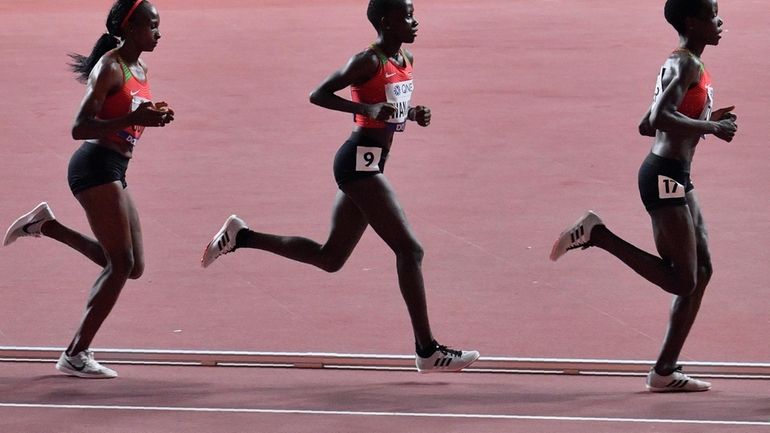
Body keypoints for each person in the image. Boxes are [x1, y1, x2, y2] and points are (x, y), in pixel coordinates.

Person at [201, 0, 479, 373]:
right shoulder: (367, 60)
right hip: (357, 166)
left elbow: (390, 107)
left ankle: (242, 236)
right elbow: (318, 94)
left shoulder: (405, 59)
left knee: (330, 257)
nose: (416, 22)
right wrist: (362, 111)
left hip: (372, 163)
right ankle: (426, 350)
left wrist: (412, 114)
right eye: (407, 15)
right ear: (386, 21)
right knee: (410, 250)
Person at [550, 0, 737, 392]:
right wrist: (710, 127)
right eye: (712, 15)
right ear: (691, 21)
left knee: (702, 273)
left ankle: (664, 371)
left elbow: (644, 123)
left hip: (678, 176)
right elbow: (656, 119)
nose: (720, 22)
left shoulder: (689, 64)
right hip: (663, 176)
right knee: (682, 281)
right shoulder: (685, 63)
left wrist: (705, 122)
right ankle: (598, 235)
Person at [3, 0, 173, 378]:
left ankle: (47, 226)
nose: (158, 33)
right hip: (94, 167)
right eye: (152, 26)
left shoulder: (138, 66)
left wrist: (152, 118)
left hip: (116, 167)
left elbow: (127, 117)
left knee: (133, 266)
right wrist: (134, 117)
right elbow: (79, 127)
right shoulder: (109, 66)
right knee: (121, 264)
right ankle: (75, 354)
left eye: (158, 26)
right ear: (129, 28)